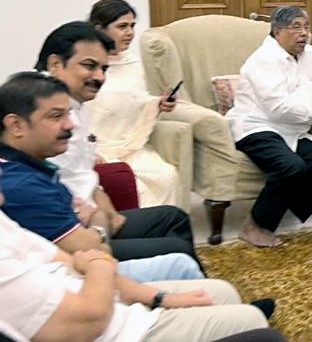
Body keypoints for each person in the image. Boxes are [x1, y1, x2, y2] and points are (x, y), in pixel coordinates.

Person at [0, 186, 270, 341]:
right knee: (257, 325)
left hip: (107, 302)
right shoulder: (22, 185)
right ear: (17, 126)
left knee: (221, 291)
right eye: (55, 116)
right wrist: (99, 264)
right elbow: (90, 315)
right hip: (112, 328)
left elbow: (79, 258)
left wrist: (160, 298)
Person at [29, 25, 201, 266]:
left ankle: (195, 295)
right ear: (56, 64)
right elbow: (50, 190)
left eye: (104, 68)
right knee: (176, 251)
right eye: (89, 66)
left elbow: (80, 171)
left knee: (173, 217)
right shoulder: (38, 111)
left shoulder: (72, 103)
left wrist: (102, 204)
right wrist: (99, 222)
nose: (100, 77)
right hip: (72, 238)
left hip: (94, 217)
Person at [226, 5, 312, 248]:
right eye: (296, 27)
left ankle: (282, 205)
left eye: (306, 27)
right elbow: (278, 108)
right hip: (257, 127)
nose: (304, 33)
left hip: (294, 130)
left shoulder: (310, 54)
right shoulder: (262, 60)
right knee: (291, 167)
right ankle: (255, 226)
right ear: (277, 32)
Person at [85, 0, 180, 207]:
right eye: (122, 26)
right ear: (99, 29)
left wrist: (158, 103)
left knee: (166, 175)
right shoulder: (85, 65)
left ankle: (158, 233)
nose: (130, 33)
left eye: (132, 26)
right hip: (97, 149)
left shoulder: (133, 62)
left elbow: (136, 99)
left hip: (130, 146)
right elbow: (78, 114)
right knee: (128, 183)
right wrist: (88, 152)